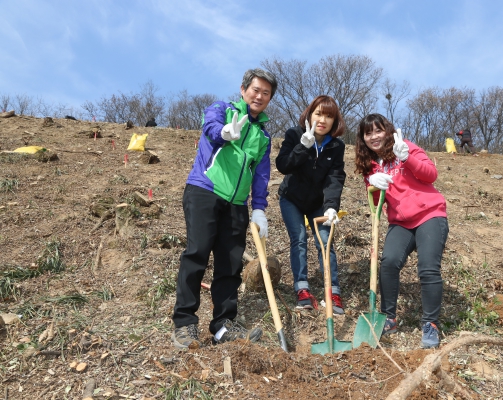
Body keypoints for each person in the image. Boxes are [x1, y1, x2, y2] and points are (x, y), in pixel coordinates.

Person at [171, 68, 278, 349]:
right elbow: (211, 129)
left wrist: (259, 209)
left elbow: (261, 175)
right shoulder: (222, 109)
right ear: (243, 90)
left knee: (230, 264)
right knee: (196, 254)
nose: (260, 96)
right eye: (256, 90)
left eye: (266, 93)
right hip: (205, 191)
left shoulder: (263, 138)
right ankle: (184, 323)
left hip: (237, 204)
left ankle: (222, 325)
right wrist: (224, 132)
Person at [354, 113, 449, 348]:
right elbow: (376, 205)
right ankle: (388, 317)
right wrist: (371, 185)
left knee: (428, 268)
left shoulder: (404, 147)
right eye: (368, 133)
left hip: (429, 215)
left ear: (387, 130)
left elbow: (431, 174)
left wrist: (407, 158)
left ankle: (430, 324)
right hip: (400, 222)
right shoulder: (370, 167)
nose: (374, 136)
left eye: (378, 130)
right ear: (363, 139)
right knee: (388, 262)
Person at [275, 95, 347, 314]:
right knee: (298, 239)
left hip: (319, 202)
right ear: (309, 114)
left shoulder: (336, 146)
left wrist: (332, 205)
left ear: (335, 121)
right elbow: (283, 165)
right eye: (318, 114)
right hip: (292, 199)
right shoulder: (294, 134)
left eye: (329, 116)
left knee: (325, 241)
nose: (323, 120)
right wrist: (302, 147)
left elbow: (335, 177)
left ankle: (333, 292)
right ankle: (302, 289)